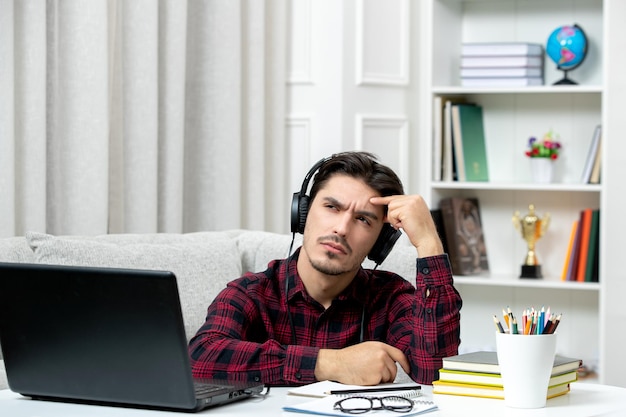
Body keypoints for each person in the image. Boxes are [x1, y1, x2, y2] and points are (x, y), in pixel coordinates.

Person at [188, 152, 461, 386]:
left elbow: (435, 374)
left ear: (380, 242)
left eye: (363, 220)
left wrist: (428, 242)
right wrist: (331, 363)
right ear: (302, 214)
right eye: (331, 207)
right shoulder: (251, 293)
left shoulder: (390, 297)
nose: (341, 229)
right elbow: (199, 358)